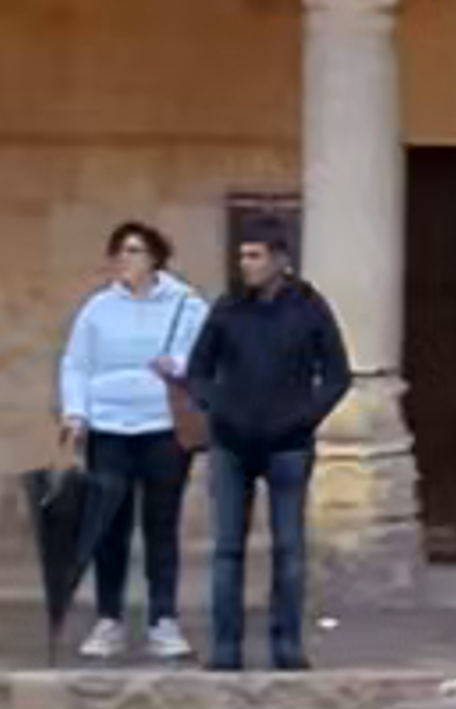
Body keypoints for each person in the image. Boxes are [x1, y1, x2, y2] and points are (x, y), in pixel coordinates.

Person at [186, 215, 348, 671]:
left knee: (289, 549)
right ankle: (226, 648)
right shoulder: (228, 308)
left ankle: (287, 646)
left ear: (280, 260)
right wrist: (219, 409)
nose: (246, 264)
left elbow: (337, 375)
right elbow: (198, 372)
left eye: (255, 256)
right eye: (242, 256)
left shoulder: (309, 308)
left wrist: (303, 418)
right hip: (231, 445)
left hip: (288, 446)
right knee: (227, 550)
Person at [60, 214, 207, 662]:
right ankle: (109, 619)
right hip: (109, 429)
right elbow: (76, 363)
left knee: (161, 525)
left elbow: (204, 358)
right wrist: (76, 412)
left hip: (162, 427)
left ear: (154, 258)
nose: (125, 259)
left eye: (134, 251)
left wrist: (177, 366)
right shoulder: (97, 309)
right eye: (119, 252)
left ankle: (164, 619)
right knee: (110, 528)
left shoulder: (186, 304)